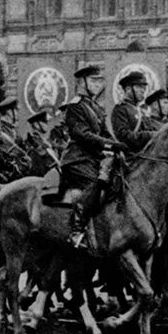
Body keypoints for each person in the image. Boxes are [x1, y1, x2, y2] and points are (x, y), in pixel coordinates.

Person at [61, 65, 126, 249]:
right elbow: (82, 134)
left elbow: (105, 132)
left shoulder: (95, 107)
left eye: (99, 81)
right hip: (77, 158)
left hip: (93, 158)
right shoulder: (75, 106)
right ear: (82, 83)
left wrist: (120, 145)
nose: (97, 85)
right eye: (93, 81)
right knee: (95, 183)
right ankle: (77, 229)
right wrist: (111, 145)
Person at [111, 71, 156, 153]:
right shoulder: (120, 109)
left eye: (143, 87)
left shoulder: (141, 111)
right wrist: (151, 135)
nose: (143, 90)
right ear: (128, 89)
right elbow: (124, 136)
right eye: (139, 87)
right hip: (131, 156)